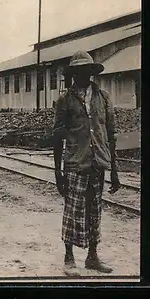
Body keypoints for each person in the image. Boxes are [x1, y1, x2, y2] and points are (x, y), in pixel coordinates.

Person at [53, 50, 120, 276]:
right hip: (75, 163)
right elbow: (57, 136)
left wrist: (115, 170)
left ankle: (92, 257)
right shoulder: (65, 100)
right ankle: (69, 258)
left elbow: (111, 134)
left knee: (94, 211)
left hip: (97, 163)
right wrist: (58, 173)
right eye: (78, 71)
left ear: (91, 72)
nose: (83, 75)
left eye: (86, 71)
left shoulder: (103, 97)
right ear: (73, 74)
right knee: (73, 211)